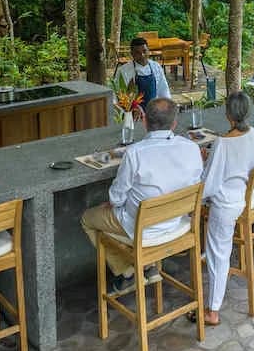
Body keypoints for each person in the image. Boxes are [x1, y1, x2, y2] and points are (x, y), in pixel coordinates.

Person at [80, 98, 201, 293]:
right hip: (178, 222)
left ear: (143, 121)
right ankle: (148, 265)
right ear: (174, 123)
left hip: (142, 230)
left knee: (87, 219)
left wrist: (113, 203)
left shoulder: (135, 153)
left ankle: (128, 272)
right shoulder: (192, 148)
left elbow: (116, 198)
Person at [193, 92, 254, 326]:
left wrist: (204, 162)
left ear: (228, 115)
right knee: (217, 247)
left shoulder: (223, 143)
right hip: (246, 197)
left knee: (218, 254)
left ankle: (212, 311)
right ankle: (207, 255)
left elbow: (209, 185)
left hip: (226, 206)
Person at [113, 37, 171, 106]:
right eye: (138, 53)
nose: (142, 55)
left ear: (148, 51)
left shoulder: (156, 67)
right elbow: (117, 95)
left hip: (154, 110)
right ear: (132, 54)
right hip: (133, 111)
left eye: (144, 51)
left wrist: (167, 107)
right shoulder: (123, 71)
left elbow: (164, 90)